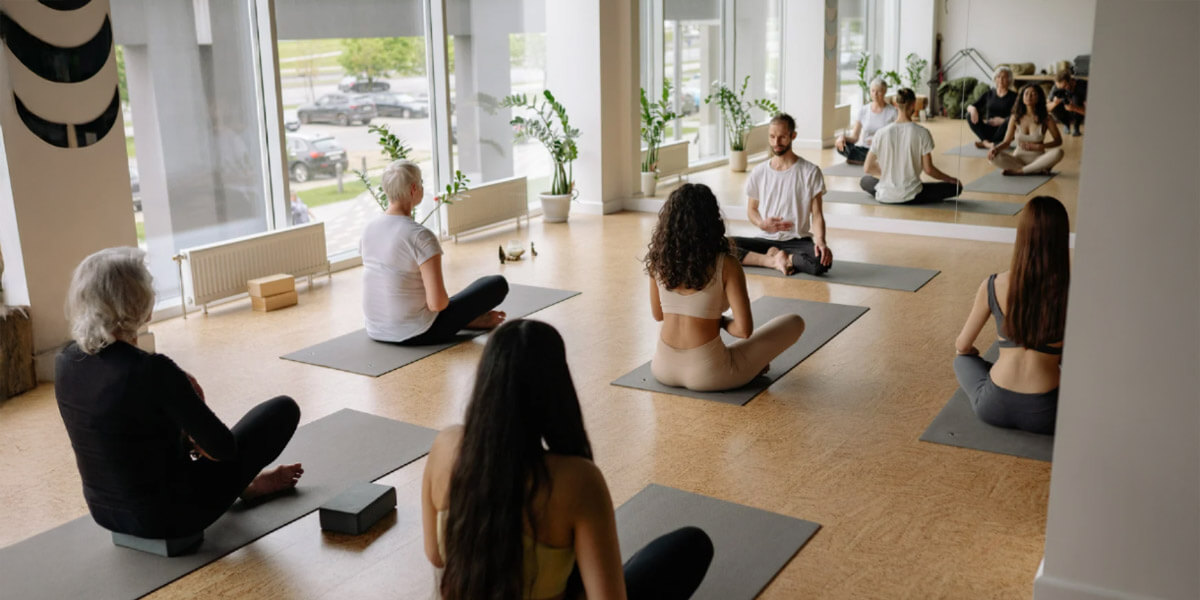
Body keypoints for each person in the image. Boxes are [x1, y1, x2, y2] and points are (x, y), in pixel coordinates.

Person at [422, 319, 714, 600]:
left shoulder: (445, 445)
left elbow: (435, 555)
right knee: (690, 545)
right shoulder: (576, 480)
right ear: (557, 390)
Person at [55, 247, 303, 540]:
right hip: (171, 518)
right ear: (142, 305)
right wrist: (190, 403)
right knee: (282, 410)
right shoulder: (153, 370)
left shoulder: (66, 359)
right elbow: (223, 449)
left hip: (104, 512)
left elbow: (127, 433)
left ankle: (247, 487)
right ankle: (243, 486)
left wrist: (177, 407)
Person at [645, 184, 806, 392]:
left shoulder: (658, 261)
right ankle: (749, 368)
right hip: (710, 375)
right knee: (794, 322)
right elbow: (743, 330)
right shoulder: (726, 264)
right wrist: (718, 321)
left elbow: (658, 315)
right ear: (712, 221)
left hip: (661, 368)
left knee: (728, 352)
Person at [953, 196, 1069, 434]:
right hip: (1047, 416)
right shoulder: (1073, 292)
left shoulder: (993, 284)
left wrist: (979, 358)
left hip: (993, 406)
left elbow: (963, 346)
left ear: (1022, 236)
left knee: (961, 360)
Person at [361, 159, 508, 345]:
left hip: (375, 330)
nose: (422, 187)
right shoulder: (420, 236)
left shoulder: (369, 228)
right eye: (421, 183)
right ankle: (470, 320)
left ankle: (468, 320)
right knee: (496, 284)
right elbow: (437, 304)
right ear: (414, 189)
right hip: (419, 332)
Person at [731, 112, 833, 277]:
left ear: (793, 136)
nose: (776, 143)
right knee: (723, 245)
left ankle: (786, 257)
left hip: (798, 241)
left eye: (782, 137)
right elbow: (752, 210)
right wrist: (761, 224)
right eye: (772, 137)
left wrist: (821, 241)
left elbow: (817, 214)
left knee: (821, 261)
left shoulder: (810, 172)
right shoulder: (759, 172)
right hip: (765, 239)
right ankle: (773, 259)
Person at [860, 88, 962, 204]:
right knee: (956, 187)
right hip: (912, 195)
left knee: (865, 181)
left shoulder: (881, 133)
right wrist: (949, 178)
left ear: (895, 105)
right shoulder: (922, 133)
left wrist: (890, 175)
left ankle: (889, 191)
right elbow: (929, 169)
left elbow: (867, 168)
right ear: (914, 105)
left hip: (885, 194)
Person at [988, 84, 1065, 176]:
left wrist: (1040, 147)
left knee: (1059, 152)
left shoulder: (1046, 118)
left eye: (1033, 94)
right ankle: (1035, 170)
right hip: (1017, 160)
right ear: (1022, 97)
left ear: (1039, 98)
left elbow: (1058, 141)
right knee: (993, 157)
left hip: (1039, 159)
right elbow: (1006, 142)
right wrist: (995, 149)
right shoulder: (1015, 117)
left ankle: (1021, 171)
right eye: (1026, 94)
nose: (1029, 97)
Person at [835, 78, 899, 165]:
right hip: (865, 149)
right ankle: (869, 160)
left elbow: (897, 137)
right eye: (873, 91)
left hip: (883, 149)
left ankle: (861, 160)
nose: (875, 94)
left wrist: (878, 141)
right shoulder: (863, 110)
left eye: (878, 91)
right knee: (842, 146)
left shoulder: (892, 112)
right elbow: (854, 137)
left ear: (884, 92)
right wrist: (842, 137)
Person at [967, 66, 1018, 149]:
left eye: (1004, 77)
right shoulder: (989, 94)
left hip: (1004, 130)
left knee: (1013, 118)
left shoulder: (1014, 96)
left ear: (1009, 80)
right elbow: (970, 106)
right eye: (998, 77)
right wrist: (973, 109)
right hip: (987, 129)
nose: (1001, 80)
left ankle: (986, 143)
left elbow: (1019, 115)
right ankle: (988, 142)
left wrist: (1003, 121)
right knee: (969, 115)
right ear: (995, 79)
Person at [1048, 70, 1087, 136]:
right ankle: (1066, 124)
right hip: (1065, 111)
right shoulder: (1057, 87)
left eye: (1065, 86)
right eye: (1060, 88)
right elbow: (1045, 107)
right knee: (1053, 105)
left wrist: (1075, 108)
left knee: (1076, 99)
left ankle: (1076, 126)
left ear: (1071, 81)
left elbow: (1092, 112)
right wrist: (1055, 103)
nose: (1063, 89)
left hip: (1079, 111)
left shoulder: (1083, 86)